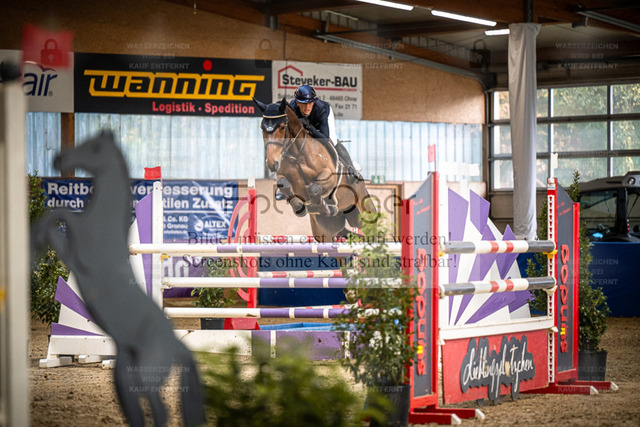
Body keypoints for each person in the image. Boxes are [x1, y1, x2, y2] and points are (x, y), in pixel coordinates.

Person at [288, 85, 362, 182]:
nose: (307, 107)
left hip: (321, 124)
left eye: (310, 103)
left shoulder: (322, 109)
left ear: (314, 102)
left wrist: (309, 127)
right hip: (307, 124)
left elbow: (325, 139)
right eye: (304, 104)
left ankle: (350, 167)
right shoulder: (292, 108)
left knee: (333, 140)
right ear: (297, 103)